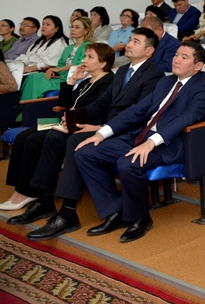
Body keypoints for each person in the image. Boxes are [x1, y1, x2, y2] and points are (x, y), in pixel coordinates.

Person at [22, 28, 164, 240]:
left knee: (74, 141)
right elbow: (102, 103)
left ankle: (68, 213)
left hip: (126, 131)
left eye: (136, 41)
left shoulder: (154, 75)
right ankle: (45, 199)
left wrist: (101, 128)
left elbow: (140, 113)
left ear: (149, 50)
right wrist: (74, 119)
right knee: (52, 136)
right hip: (107, 127)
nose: (129, 44)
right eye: (130, 39)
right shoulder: (123, 71)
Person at [73, 41, 205, 243]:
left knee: (128, 164)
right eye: (176, 54)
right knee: (86, 153)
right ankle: (115, 211)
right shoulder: (166, 81)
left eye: (184, 57)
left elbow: (187, 118)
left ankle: (140, 218)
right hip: (141, 136)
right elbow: (138, 109)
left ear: (198, 65)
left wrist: (152, 142)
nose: (176, 59)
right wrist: (102, 133)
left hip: (171, 143)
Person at [3, 44, 115, 218]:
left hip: (82, 125)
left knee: (34, 140)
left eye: (90, 57)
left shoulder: (108, 82)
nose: (84, 60)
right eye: (85, 56)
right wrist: (71, 81)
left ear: (103, 63)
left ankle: (27, 192)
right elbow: (65, 103)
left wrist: (71, 118)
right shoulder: (87, 81)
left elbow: (99, 110)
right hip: (65, 121)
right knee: (24, 135)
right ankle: (19, 188)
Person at [20, 17, 93, 101]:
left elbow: (79, 64)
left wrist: (57, 69)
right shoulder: (69, 48)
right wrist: (53, 71)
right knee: (33, 77)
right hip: (62, 77)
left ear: (86, 30)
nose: (73, 29)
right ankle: (26, 106)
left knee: (36, 78)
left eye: (77, 27)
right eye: (72, 27)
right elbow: (60, 64)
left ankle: (30, 105)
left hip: (76, 79)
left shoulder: (88, 46)